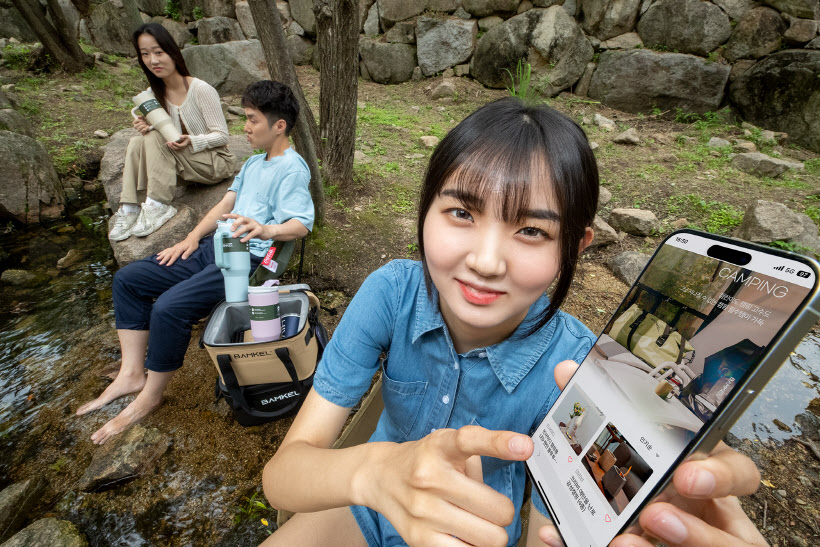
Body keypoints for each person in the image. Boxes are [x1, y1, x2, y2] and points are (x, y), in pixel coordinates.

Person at [259, 98, 767, 547]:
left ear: (574, 248)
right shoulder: (391, 293)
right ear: (426, 209)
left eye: (530, 229)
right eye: (461, 212)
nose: (485, 260)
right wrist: (374, 472)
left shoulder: (575, 371)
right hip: (367, 507)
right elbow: (283, 477)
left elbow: (548, 530)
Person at [77, 80, 315, 445]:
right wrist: (190, 238)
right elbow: (225, 206)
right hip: (215, 247)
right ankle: (130, 374)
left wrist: (265, 229)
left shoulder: (292, 169)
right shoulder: (253, 163)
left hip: (248, 260)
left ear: (278, 125)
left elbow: (301, 224)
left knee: (169, 309)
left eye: (252, 120)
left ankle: (151, 395)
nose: (245, 127)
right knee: (129, 279)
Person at [108, 23, 238, 242]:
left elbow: (222, 136)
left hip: (215, 163)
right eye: (145, 54)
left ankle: (158, 204)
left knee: (154, 135)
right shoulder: (153, 94)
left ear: (173, 52)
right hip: (183, 165)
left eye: (159, 52)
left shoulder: (200, 89)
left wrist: (192, 141)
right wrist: (146, 127)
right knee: (136, 142)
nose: (153, 60)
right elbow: (160, 137)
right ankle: (130, 206)